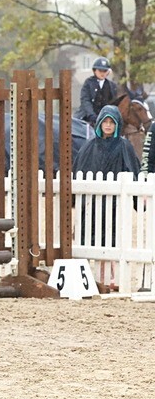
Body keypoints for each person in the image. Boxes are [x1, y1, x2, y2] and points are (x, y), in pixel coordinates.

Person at [72, 104, 141, 288]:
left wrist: (137, 202)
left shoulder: (124, 146)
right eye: (105, 122)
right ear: (100, 123)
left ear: (117, 123)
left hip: (115, 205)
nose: (108, 125)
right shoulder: (89, 146)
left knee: (112, 239)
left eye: (112, 122)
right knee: (91, 237)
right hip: (93, 205)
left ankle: (110, 278)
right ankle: (95, 278)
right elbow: (77, 171)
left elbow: (133, 172)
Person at [76, 56, 119, 127]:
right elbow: (85, 100)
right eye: (100, 71)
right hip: (87, 116)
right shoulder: (88, 83)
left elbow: (113, 102)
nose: (102, 73)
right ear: (95, 71)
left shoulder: (112, 86)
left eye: (104, 71)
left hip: (105, 117)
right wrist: (91, 115)